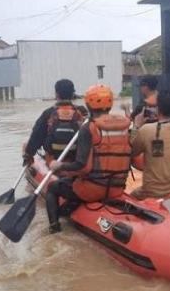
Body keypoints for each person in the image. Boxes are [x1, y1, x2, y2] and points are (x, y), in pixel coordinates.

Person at [44, 84, 131, 233]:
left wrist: (58, 165)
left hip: (92, 190)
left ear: (88, 104)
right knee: (72, 182)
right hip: (117, 188)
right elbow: (134, 160)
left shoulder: (89, 128)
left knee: (52, 188)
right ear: (110, 104)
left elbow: (82, 166)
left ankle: (54, 228)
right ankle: (69, 209)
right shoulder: (125, 126)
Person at [129, 90, 170, 200]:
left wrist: (136, 126)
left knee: (131, 198)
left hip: (151, 193)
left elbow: (130, 152)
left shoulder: (147, 130)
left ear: (158, 108)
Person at [22, 79, 87, 166]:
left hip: (53, 160)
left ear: (56, 94)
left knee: (25, 144)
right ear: (73, 94)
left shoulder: (48, 113)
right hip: (77, 159)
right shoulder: (82, 111)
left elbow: (36, 137)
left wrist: (28, 155)